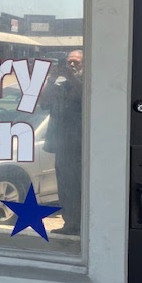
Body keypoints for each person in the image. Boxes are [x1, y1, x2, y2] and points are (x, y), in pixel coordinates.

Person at [40, 50, 83, 235]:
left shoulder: (86, 84)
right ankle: (70, 224)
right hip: (62, 145)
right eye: (68, 62)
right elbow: (43, 104)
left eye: (76, 63)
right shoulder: (61, 85)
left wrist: (71, 77)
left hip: (80, 146)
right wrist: (51, 79)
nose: (71, 65)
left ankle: (81, 225)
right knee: (65, 187)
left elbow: (86, 98)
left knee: (79, 187)